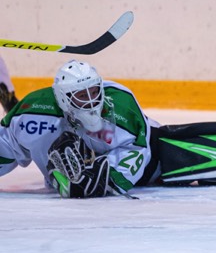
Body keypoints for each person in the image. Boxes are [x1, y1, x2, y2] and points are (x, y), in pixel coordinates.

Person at [0, 59, 161, 198]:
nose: (92, 102)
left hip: (151, 158)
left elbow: (138, 147)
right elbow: (6, 147)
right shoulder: (32, 113)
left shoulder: (120, 105)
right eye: (83, 96)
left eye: (94, 92)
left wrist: (107, 181)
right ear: (63, 97)